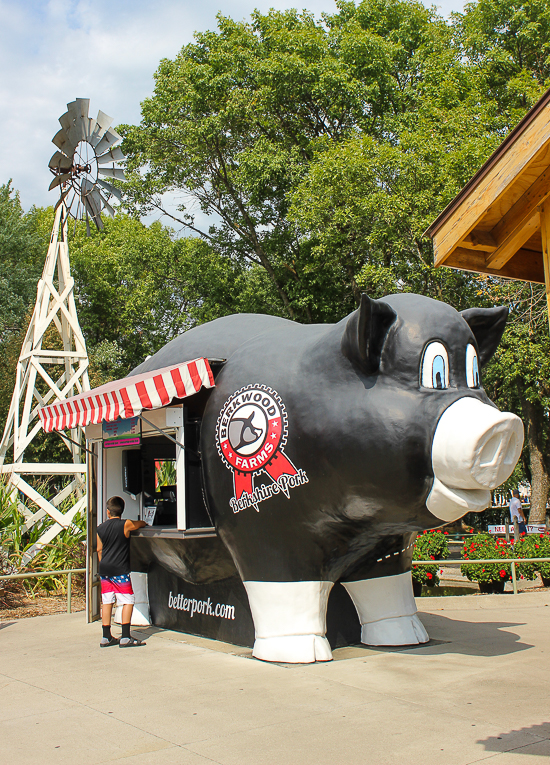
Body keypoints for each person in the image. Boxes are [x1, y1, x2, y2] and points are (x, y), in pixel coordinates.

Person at [97, 496, 147, 647]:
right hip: (120, 570)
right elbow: (139, 524)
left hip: (105, 569)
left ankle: (106, 637)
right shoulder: (125, 525)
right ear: (122, 511)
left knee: (107, 601)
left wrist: (104, 564)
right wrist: (144, 521)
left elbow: (99, 549)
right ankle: (125, 637)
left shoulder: (100, 527)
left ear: (108, 512)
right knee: (128, 600)